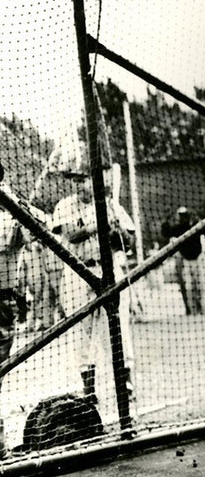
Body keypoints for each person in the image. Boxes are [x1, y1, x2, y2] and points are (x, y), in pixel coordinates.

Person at [50, 165, 137, 411]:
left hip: (109, 268)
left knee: (119, 327)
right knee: (82, 331)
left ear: (94, 181)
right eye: (75, 181)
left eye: (83, 180)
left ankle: (125, 383)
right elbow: (70, 235)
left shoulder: (111, 205)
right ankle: (89, 391)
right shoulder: (65, 205)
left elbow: (128, 243)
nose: (79, 185)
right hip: (79, 271)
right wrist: (98, 224)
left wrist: (117, 231)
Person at [162, 206, 205, 315]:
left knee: (200, 287)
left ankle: (203, 311)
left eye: (184, 215)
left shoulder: (194, 225)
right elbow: (166, 232)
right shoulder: (179, 228)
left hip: (198, 259)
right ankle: (193, 312)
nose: (182, 218)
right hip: (187, 261)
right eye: (181, 216)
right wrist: (166, 220)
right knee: (190, 288)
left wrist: (196, 217)